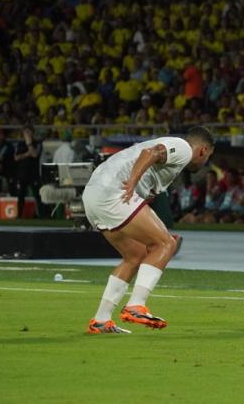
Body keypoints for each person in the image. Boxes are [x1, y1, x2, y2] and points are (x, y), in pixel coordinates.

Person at [83, 126, 214, 334]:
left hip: (93, 195)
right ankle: (136, 305)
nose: (205, 161)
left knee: (135, 256)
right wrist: (133, 182)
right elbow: (150, 153)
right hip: (115, 192)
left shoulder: (173, 156)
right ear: (203, 150)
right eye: (208, 157)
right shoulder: (183, 148)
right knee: (166, 243)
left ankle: (101, 320)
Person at [13, 125, 43, 218]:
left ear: (32, 133)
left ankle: (42, 215)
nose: (27, 134)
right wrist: (27, 154)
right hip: (22, 173)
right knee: (20, 195)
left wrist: (29, 144)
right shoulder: (20, 144)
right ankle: (19, 215)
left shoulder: (37, 143)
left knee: (37, 195)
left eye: (28, 132)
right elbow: (16, 157)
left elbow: (34, 154)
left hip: (34, 174)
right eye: (25, 132)